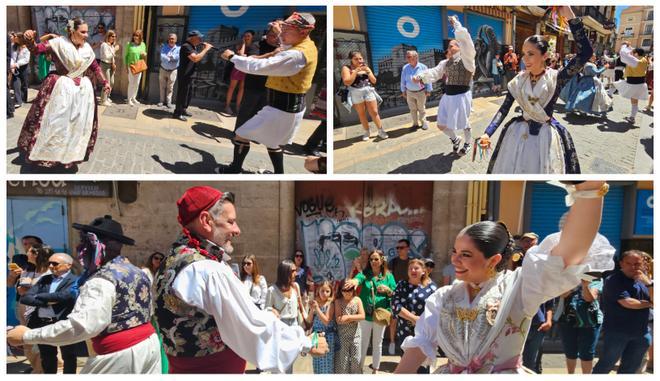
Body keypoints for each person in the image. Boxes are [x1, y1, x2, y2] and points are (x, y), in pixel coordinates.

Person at [394, 181, 615, 374]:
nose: (455, 260)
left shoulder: (518, 287)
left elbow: (569, 252)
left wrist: (589, 189)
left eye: (466, 255)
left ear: (493, 259)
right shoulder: (442, 296)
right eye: (454, 251)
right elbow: (417, 349)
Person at [153, 186, 327, 373]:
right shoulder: (207, 270)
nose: (237, 230)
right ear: (206, 221)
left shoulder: (173, 257)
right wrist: (305, 342)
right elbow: (251, 324)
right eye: (231, 222)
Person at [7, 215, 162, 373]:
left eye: (83, 243)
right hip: (149, 346)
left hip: (120, 355)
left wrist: (27, 335)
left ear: (96, 246)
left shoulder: (101, 280)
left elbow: (80, 327)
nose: (79, 248)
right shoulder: (137, 272)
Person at [479, 7, 590, 174]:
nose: (525, 59)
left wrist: (571, 18)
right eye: (523, 54)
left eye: (531, 54)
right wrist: (488, 133)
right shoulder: (518, 81)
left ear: (545, 56)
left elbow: (585, 53)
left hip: (544, 138)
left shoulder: (557, 78)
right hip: (516, 134)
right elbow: (504, 108)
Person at [220, 13, 319, 174]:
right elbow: (286, 45)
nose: (282, 33)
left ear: (303, 32)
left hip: (281, 109)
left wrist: (232, 57)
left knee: (241, 135)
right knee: (273, 142)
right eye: (283, 28)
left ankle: (234, 169)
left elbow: (260, 66)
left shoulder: (296, 55)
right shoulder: (305, 44)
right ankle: (279, 174)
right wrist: (281, 32)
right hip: (287, 107)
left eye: (287, 30)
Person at [16, 18, 111, 168]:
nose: (86, 35)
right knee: (56, 124)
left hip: (81, 94)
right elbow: (37, 49)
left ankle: (71, 154)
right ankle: (50, 156)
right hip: (61, 91)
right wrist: (29, 41)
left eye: (87, 31)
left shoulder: (87, 48)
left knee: (76, 126)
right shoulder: (58, 43)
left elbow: (95, 67)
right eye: (83, 32)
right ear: (72, 31)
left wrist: (104, 82)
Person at [415, 15, 476, 156]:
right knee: (441, 125)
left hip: (461, 96)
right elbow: (434, 73)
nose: (448, 48)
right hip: (448, 97)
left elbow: (467, 43)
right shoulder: (445, 63)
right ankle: (455, 139)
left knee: (464, 123)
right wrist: (420, 76)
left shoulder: (467, 59)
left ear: (459, 46)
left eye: (451, 45)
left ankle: (467, 143)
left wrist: (456, 24)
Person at [593, 250, 653, 374]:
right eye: (628, 263)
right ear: (621, 264)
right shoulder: (613, 280)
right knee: (605, 365)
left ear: (642, 264)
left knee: (630, 369)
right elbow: (628, 303)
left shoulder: (644, 281)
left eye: (637, 264)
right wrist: (651, 303)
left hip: (642, 332)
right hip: (617, 332)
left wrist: (649, 284)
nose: (633, 267)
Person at [20, 253, 79, 374]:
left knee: (68, 355)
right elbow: (25, 298)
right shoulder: (45, 279)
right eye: (49, 263)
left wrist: (38, 296)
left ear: (68, 265)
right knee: (47, 356)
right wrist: (46, 302)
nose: (51, 266)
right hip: (43, 322)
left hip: (64, 323)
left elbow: (64, 296)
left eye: (55, 263)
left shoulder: (75, 280)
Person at [345, 249, 396, 374]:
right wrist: (354, 281)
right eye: (371, 259)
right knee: (362, 343)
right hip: (365, 315)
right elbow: (358, 278)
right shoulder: (365, 273)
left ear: (382, 260)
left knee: (377, 343)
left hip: (380, 315)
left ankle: (375, 369)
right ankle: (359, 369)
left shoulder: (388, 276)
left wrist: (388, 290)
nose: (373, 261)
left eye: (376, 259)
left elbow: (395, 293)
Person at [8, 243, 52, 374]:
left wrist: (30, 286)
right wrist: (18, 282)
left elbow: (50, 292)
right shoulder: (27, 270)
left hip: (42, 312)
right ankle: (37, 368)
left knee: (45, 342)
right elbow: (16, 288)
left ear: (36, 254)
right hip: (26, 310)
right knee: (29, 342)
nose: (26, 253)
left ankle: (48, 369)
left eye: (29, 251)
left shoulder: (49, 273)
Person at [391, 259, 438, 373]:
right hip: (405, 333)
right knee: (407, 368)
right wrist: (414, 319)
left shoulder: (431, 287)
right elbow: (395, 305)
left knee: (422, 368)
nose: (413, 270)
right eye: (410, 268)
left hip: (424, 335)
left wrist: (421, 322)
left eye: (416, 268)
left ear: (423, 271)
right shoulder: (402, 285)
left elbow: (437, 310)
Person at [234, 26, 281, 131]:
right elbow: (251, 61)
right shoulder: (257, 45)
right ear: (267, 35)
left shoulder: (280, 48)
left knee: (260, 112)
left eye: (277, 36)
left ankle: (252, 134)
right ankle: (238, 133)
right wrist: (272, 54)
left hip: (270, 86)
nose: (274, 38)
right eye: (272, 35)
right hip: (253, 85)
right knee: (246, 111)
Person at [556, 279, 603, 374]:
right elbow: (562, 294)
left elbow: (589, 298)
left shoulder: (596, 279)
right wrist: (575, 282)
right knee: (570, 352)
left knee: (587, 353)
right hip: (567, 320)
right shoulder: (567, 276)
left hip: (590, 322)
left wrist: (585, 286)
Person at [265, 260, 305, 374]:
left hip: (294, 325)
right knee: (279, 359)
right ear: (284, 272)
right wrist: (272, 310)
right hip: (280, 326)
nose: (295, 274)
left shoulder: (295, 286)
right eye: (293, 271)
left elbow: (299, 307)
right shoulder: (272, 290)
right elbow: (265, 309)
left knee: (290, 359)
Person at [341, 51, 387, 141]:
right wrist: (356, 71)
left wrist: (368, 72)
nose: (359, 60)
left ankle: (380, 130)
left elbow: (374, 81)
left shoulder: (365, 67)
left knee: (374, 112)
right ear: (351, 60)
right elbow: (347, 82)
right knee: (361, 113)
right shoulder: (346, 68)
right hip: (355, 92)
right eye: (356, 59)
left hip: (368, 91)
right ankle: (367, 131)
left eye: (360, 58)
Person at [172, 30, 213, 121]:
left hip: (190, 74)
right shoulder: (186, 46)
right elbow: (195, 58)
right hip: (184, 74)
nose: (200, 39)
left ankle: (183, 109)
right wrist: (206, 49)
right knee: (182, 93)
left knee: (188, 93)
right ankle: (177, 113)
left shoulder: (192, 46)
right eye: (198, 37)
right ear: (193, 38)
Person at [613, 43, 649, 125]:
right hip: (640, 84)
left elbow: (623, 54)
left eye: (633, 53)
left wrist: (625, 45)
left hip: (633, 84)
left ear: (636, 54)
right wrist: (630, 48)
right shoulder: (644, 59)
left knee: (633, 101)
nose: (631, 54)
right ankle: (632, 117)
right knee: (635, 101)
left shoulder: (635, 61)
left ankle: (632, 118)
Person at [334, 279, 365, 374]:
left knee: (356, 359)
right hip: (342, 336)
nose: (347, 293)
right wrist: (354, 319)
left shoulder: (357, 300)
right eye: (344, 290)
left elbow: (362, 316)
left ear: (353, 289)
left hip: (356, 335)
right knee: (343, 361)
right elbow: (339, 320)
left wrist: (347, 317)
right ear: (340, 290)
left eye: (349, 290)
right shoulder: (338, 301)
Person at [387, 239, 412, 355]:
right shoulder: (393, 262)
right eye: (397, 248)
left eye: (401, 248)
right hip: (396, 293)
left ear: (408, 248)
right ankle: (392, 342)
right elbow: (388, 276)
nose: (399, 250)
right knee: (394, 319)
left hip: (409, 294)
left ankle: (408, 344)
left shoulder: (412, 262)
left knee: (408, 319)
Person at [306, 281, 336, 374]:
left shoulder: (330, 304)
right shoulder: (315, 302)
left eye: (327, 291)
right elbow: (308, 320)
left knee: (327, 361)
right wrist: (312, 309)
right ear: (318, 291)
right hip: (315, 335)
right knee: (316, 361)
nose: (324, 293)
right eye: (322, 291)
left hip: (328, 336)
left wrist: (317, 308)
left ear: (331, 292)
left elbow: (326, 321)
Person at [224, 30, 255, 115]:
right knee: (232, 87)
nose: (246, 37)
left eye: (248, 35)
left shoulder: (254, 46)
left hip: (247, 69)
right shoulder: (240, 45)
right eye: (245, 35)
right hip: (237, 69)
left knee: (242, 88)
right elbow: (241, 55)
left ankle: (238, 106)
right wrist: (244, 44)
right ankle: (227, 106)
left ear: (252, 36)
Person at [401, 50, 431, 130]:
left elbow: (427, 79)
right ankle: (415, 123)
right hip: (409, 92)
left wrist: (428, 90)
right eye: (407, 57)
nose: (407, 58)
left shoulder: (423, 67)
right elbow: (403, 80)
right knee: (412, 109)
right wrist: (403, 90)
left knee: (421, 108)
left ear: (415, 57)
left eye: (409, 57)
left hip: (420, 92)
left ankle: (424, 122)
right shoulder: (405, 68)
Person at [521, 299, 554, 373]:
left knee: (532, 363)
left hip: (538, 327)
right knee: (515, 361)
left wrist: (549, 321)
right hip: (518, 325)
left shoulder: (545, 287)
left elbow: (549, 304)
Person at [124, 29, 147, 106]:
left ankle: (134, 97)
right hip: (131, 66)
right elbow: (126, 56)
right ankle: (129, 99)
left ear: (140, 36)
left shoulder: (143, 44)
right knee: (131, 83)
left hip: (139, 66)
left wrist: (144, 54)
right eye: (134, 35)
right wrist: (126, 67)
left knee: (137, 83)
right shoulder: (129, 44)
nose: (135, 37)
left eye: (137, 35)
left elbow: (143, 55)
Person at [158, 33, 180, 108]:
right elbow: (162, 56)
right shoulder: (164, 47)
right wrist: (169, 58)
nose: (171, 40)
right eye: (170, 38)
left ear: (176, 40)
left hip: (173, 71)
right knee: (162, 86)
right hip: (163, 69)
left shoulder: (178, 49)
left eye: (173, 39)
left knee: (170, 88)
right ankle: (161, 101)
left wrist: (171, 57)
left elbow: (177, 57)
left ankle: (168, 102)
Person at [10, 32, 30, 108]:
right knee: (16, 83)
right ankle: (18, 100)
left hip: (24, 68)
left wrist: (16, 64)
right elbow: (12, 57)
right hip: (15, 67)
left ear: (20, 38)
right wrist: (13, 65)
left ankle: (23, 99)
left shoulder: (27, 47)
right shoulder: (13, 46)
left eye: (15, 37)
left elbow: (26, 60)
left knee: (24, 84)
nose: (14, 38)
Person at [99, 30, 119, 107]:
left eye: (115, 36)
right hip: (104, 64)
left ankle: (106, 97)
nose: (114, 38)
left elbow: (112, 57)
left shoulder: (111, 45)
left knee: (112, 82)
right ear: (108, 36)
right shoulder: (104, 45)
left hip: (110, 65)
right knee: (106, 83)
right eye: (112, 36)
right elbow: (106, 56)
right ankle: (103, 100)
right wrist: (114, 50)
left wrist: (113, 64)